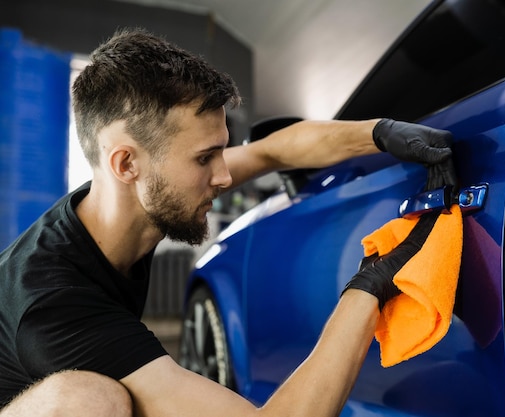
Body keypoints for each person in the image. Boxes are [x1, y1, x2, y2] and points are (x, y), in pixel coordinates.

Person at [0, 28, 455, 417]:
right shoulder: (54, 303)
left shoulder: (124, 200)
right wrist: (368, 288)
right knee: (88, 399)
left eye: (220, 150)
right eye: (204, 158)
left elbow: (272, 150)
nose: (223, 176)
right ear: (125, 164)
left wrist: (383, 133)